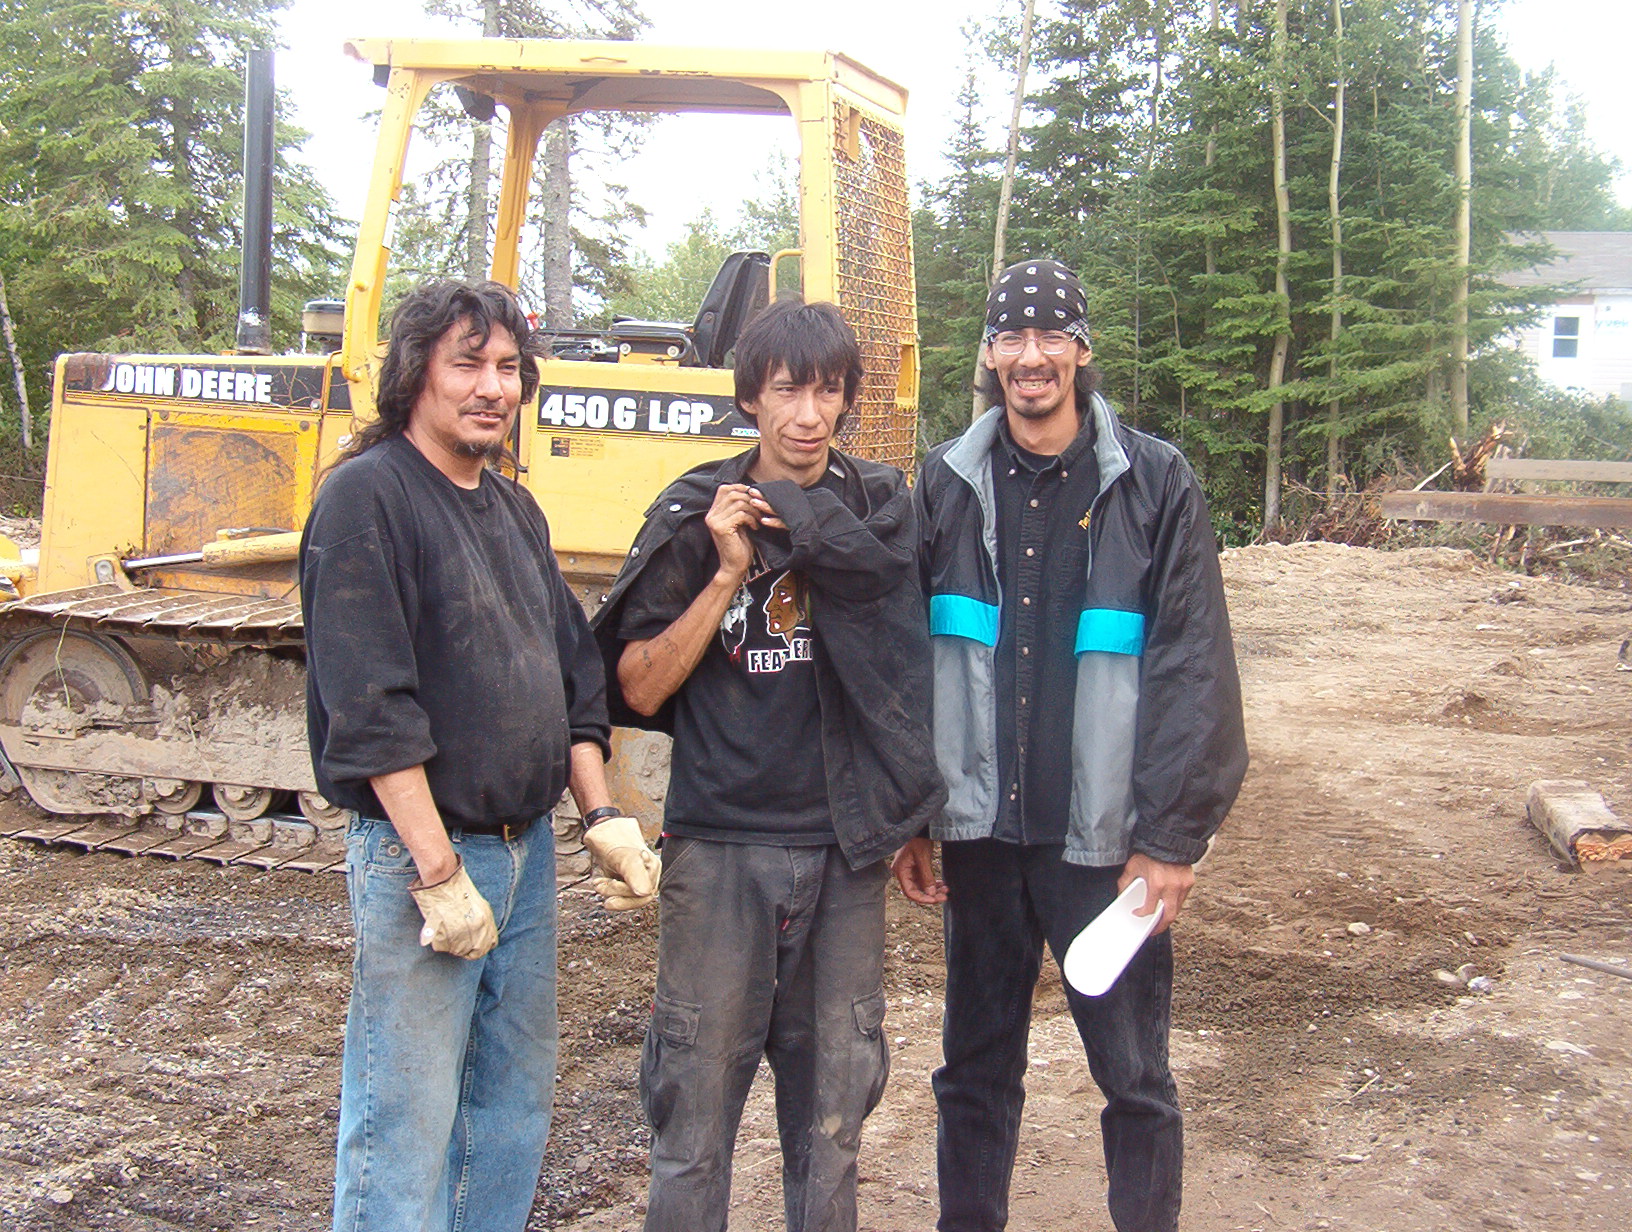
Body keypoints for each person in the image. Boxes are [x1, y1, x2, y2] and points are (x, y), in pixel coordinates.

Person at [894, 259, 1248, 1232]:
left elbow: (1194, 667)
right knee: (973, 1073)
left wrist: (1170, 838)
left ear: (1082, 351)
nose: (1032, 356)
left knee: (1135, 1079)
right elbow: (908, 656)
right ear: (990, 354)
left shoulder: (1154, 483)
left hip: (1107, 848)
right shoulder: (946, 482)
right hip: (981, 840)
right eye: (1012, 337)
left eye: (1052, 336)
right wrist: (912, 814)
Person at [300, 279, 659, 1232]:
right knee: (404, 1120)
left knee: (509, 1111)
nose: (493, 387)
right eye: (468, 364)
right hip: (424, 862)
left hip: (526, 855)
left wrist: (601, 815)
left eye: (508, 367)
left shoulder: (512, 509)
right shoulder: (366, 499)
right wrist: (436, 869)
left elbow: (571, 672)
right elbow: (370, 705)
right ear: (416, 373)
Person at [592, 298, 945, 1232]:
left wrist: (914, 819)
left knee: (834, 1111)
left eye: (827, 392)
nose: (807, 415)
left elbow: (909, 675)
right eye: (787, 390)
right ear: (751, 396)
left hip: (845, 847)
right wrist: (723, 572)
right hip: (719, 848)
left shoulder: (879, 510)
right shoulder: (693, 513)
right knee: (693, 1107)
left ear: (847, 401)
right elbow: (637, 687)